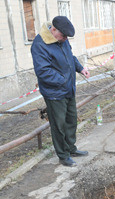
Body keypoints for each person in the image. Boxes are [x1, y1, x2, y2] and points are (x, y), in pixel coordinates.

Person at [31, 16, 90, 166]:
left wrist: (80, 68)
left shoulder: (62, 40)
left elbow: (70, 57)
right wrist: (64, 79)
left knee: (71, 120)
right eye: (63, 35)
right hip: (54, 93)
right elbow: (43, 71)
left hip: (69, 89)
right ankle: (63, 155)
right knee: (59, 125)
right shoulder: (40, 44)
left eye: (66, 37)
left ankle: (71, 148)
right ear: (53, 29)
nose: (65, 39)